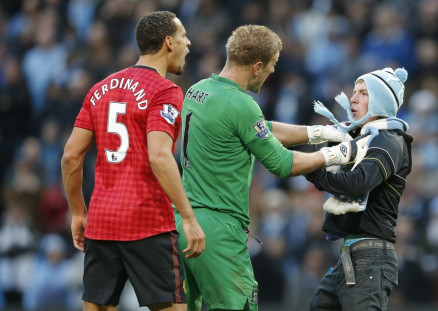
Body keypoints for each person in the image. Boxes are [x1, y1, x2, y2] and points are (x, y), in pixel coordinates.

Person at [174, 24, 367, 311]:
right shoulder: (242, 104)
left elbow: (258, 129)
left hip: (184, 224)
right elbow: (281, 163)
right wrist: (338, 153)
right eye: (272, 64)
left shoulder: (198, 91)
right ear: (257, 66)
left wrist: (319, 133)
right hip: (219, 231)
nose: (273, 72)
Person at [61, 11, 205, 311]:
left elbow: (71, 156)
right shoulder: (164, 91)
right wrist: (189, 219)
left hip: (102, 223)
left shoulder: (100, 89)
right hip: (148, 223)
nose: (188, 43)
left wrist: (77, 213)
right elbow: (159, 155)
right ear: (168, 42)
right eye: (183, 36)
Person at [305, 67, 413, 311]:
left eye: (363, 93)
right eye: (354, 91)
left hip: (371, 257)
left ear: (382, 101)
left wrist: (314, 172)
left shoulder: (390, 139)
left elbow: (358, 183)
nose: (353, 98)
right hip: (351, 255)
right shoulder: (360, 138)